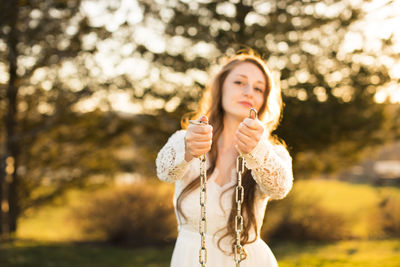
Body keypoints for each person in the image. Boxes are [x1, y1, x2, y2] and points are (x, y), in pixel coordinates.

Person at [155, 51, 294, 267]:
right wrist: (188, 149)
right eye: (239, 82)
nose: (249, 92)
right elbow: (164, 172)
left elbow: (279, 188)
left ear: (264, 100)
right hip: (191, 259)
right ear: (221, 88)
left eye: (258, 88)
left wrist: (257, 150)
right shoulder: (187, 139)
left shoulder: (271, 153)